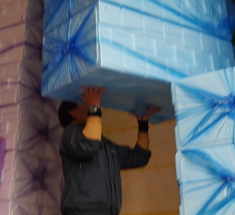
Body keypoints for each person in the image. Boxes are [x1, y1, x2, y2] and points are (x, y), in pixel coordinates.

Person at [57, 86, 161, 215]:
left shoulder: (104, 145)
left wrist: (143, 124)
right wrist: (94, 107)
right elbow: (89, 144)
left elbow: (139, 158)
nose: (89, 107)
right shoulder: (70, 134)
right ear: (72, 112)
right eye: (85, 104)